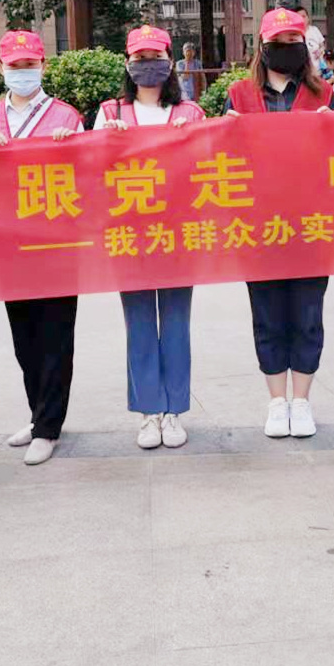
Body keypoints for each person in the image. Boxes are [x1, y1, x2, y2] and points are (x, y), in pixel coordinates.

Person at [224, 8, 334, 437]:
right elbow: (220, 160)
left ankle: (302, 401)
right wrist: (227, 133)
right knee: (268, 314)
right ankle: (277, 401)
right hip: (258, 227)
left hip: (311, 224)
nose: (286, 49)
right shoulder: (239, 96)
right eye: (278, 42)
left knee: (308, 314)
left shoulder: (323, 94)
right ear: (262, 46)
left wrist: (333, 130)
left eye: (294, 41)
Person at [0, 30, 84, 465]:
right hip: (9, 241)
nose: (22, 72)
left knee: (55, 334)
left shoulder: (66, 116)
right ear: (1, 68)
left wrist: (70, 151)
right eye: (14, 66)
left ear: (43, 66)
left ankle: (50, 427)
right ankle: (38, 415)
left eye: (29, 65)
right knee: (24, 337)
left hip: (57, 242)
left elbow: (88, 175)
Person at [94, 26, 206, 449]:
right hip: (129, 235)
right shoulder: (110, 113)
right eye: (139, 59)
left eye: (155, 57)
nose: (147, 65)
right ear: (127, 64)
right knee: (139, 323)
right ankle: (148, 412)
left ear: (170, 62)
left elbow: (209, 167)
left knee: (176, 322)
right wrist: (106, 143)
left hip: (177, 234)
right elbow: (90, 169)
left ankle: (174, 410)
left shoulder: (190, 113)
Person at [298, 6, 328, 76]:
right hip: (302, 71)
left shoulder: (314, 30)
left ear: (308, 18)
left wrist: (320, 51)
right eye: (299, 17)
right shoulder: (295, 33)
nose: (302, 19)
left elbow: (323, 45)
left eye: (304, 16)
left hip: (317, 69)